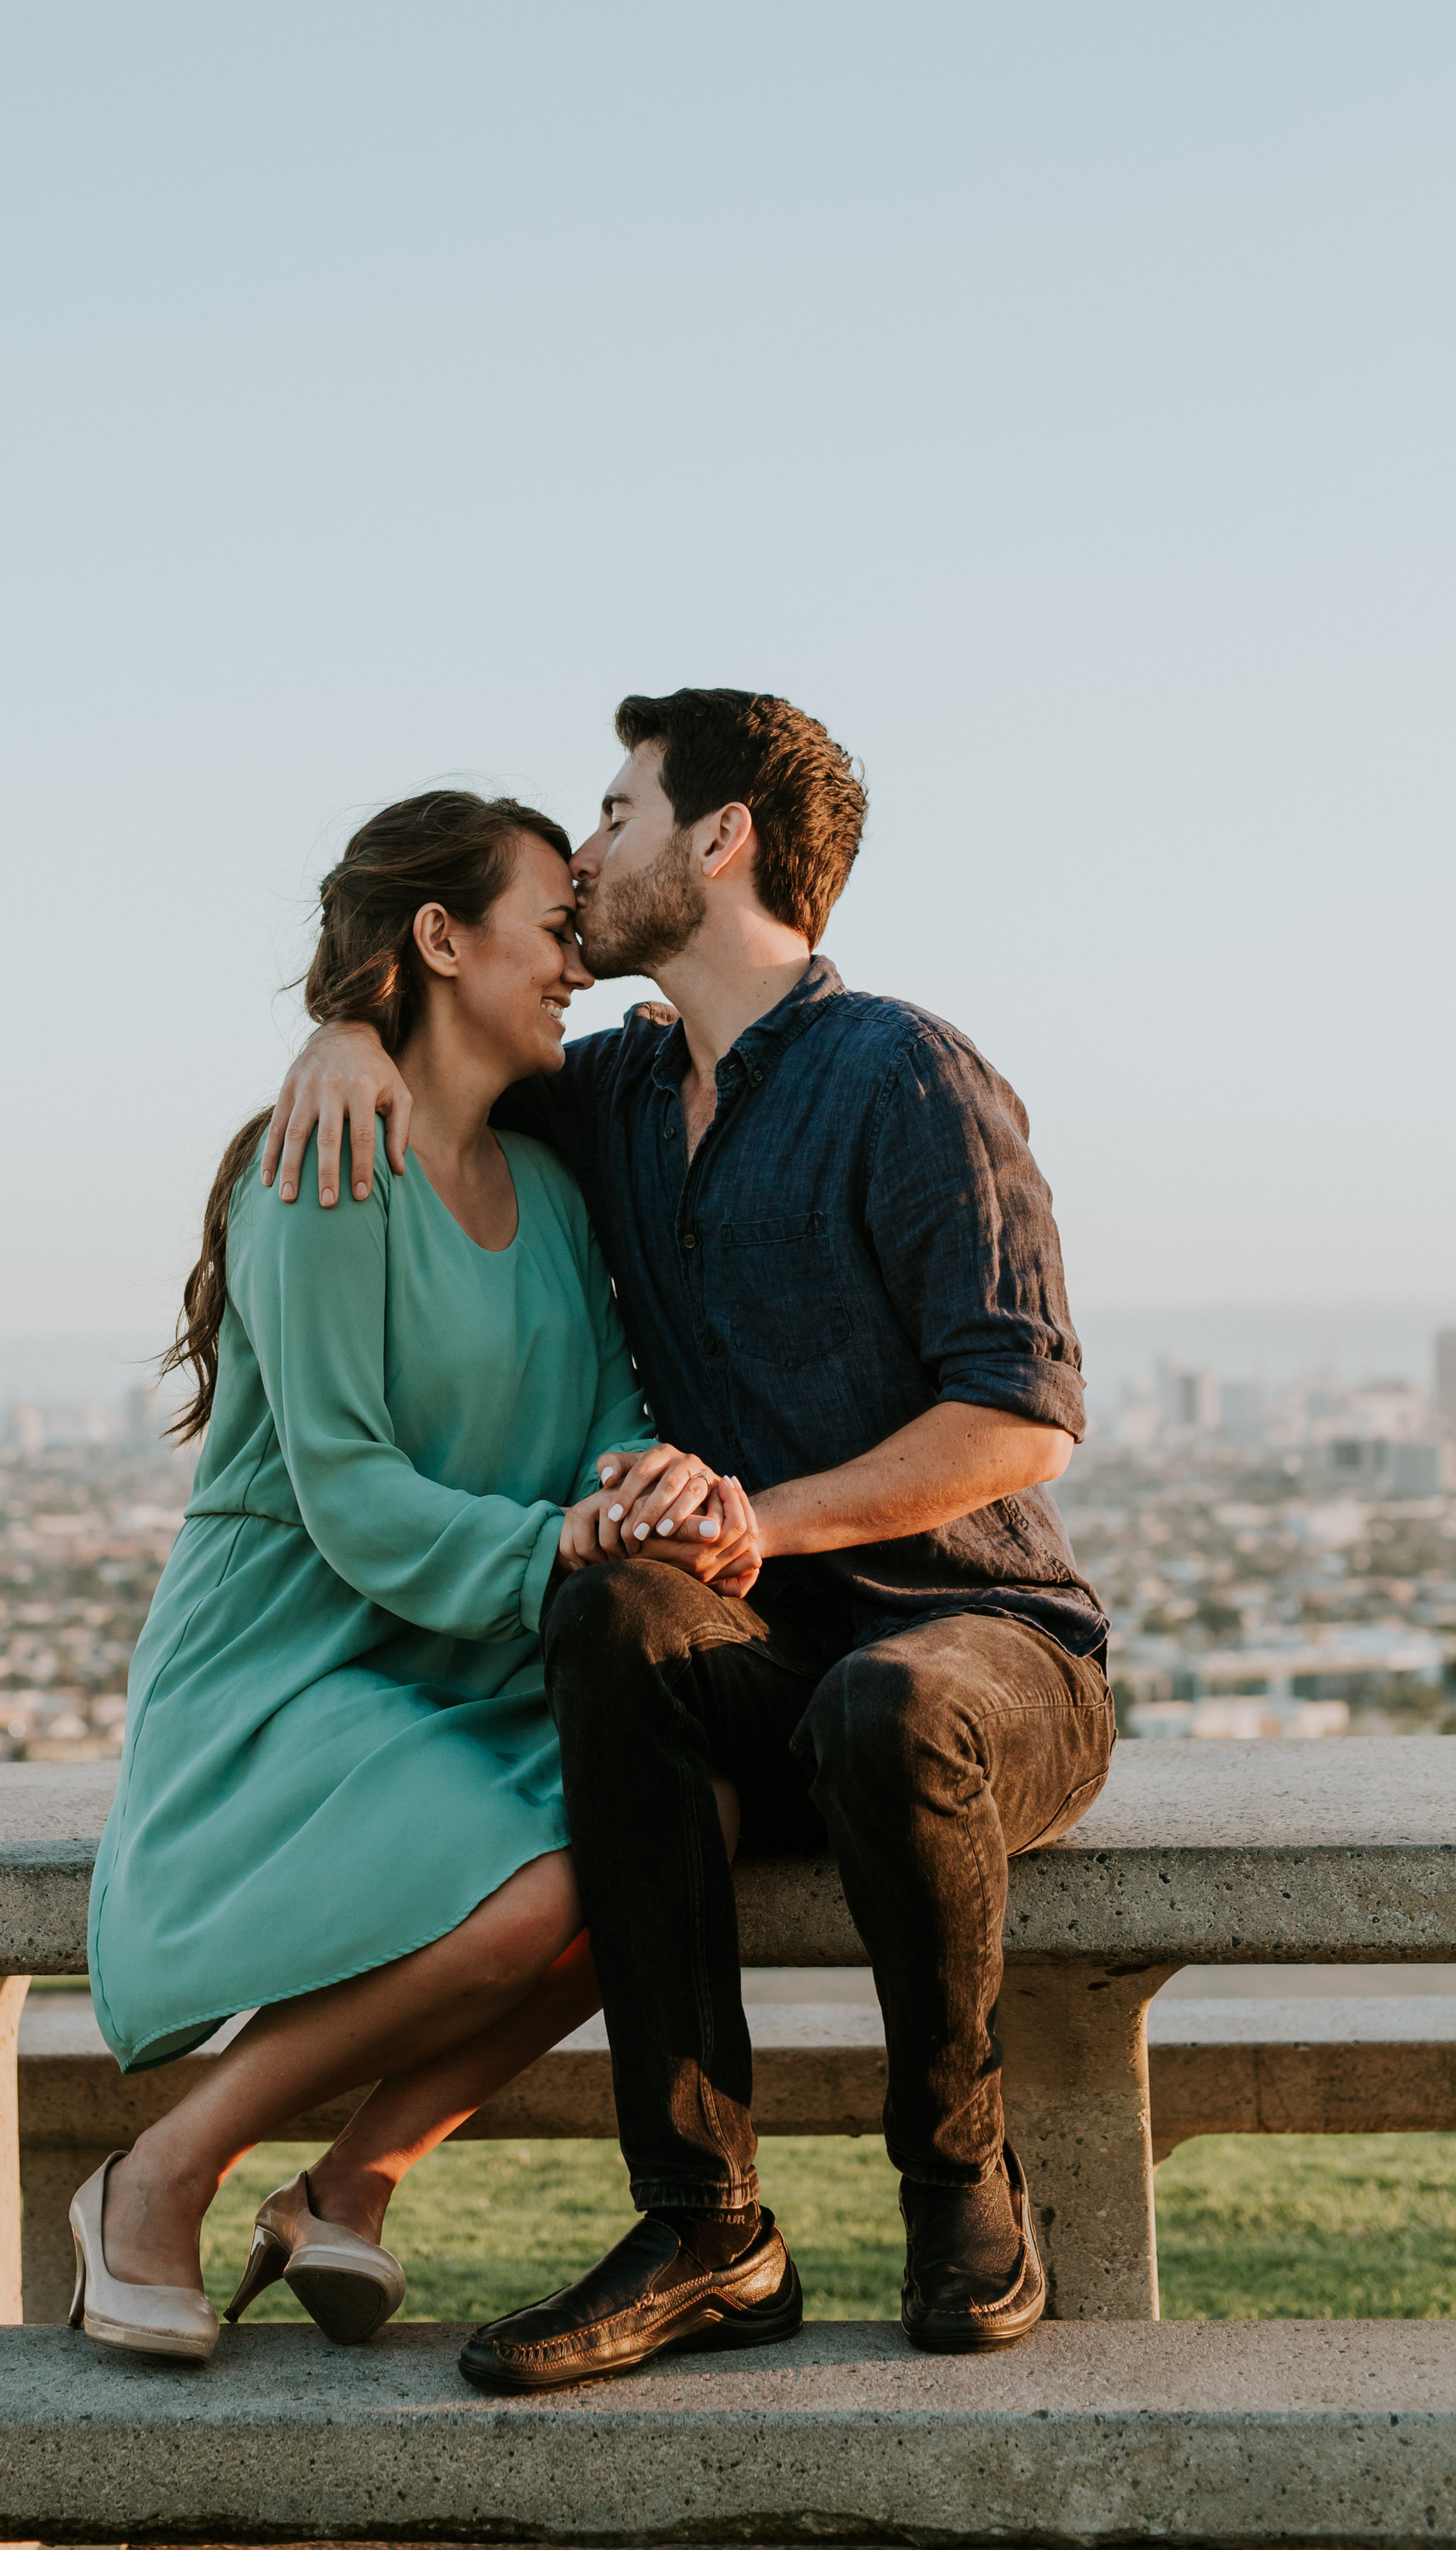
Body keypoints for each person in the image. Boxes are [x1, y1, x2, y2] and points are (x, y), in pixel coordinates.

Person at [264, 687, 1115, 2384]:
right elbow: (449, 1059)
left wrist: (760, 1514)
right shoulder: (617, 1096)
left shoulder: (903, 1073)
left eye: (615, 813)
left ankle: (957, 2182)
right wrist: (342, 1028)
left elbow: (1019, 1414)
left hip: (987, 1661)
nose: (582, 862)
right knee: (611, 1614)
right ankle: (707, 2230)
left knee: (893, 1701)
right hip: (765, 1665)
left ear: (718, 841)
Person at [78, 785, 800, 2372]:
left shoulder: (545, 1189)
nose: (576, 967)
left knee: (680, 1826)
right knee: (553, 1881)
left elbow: (603, 1425)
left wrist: (649, 1497)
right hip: (303, 1664)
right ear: (436, 938)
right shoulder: (320, 1162)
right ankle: (157, 2178)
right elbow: (345, 1492)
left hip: (465, 1657)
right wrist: (558, 1544)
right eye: (553, 932)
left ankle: (347, 2185)